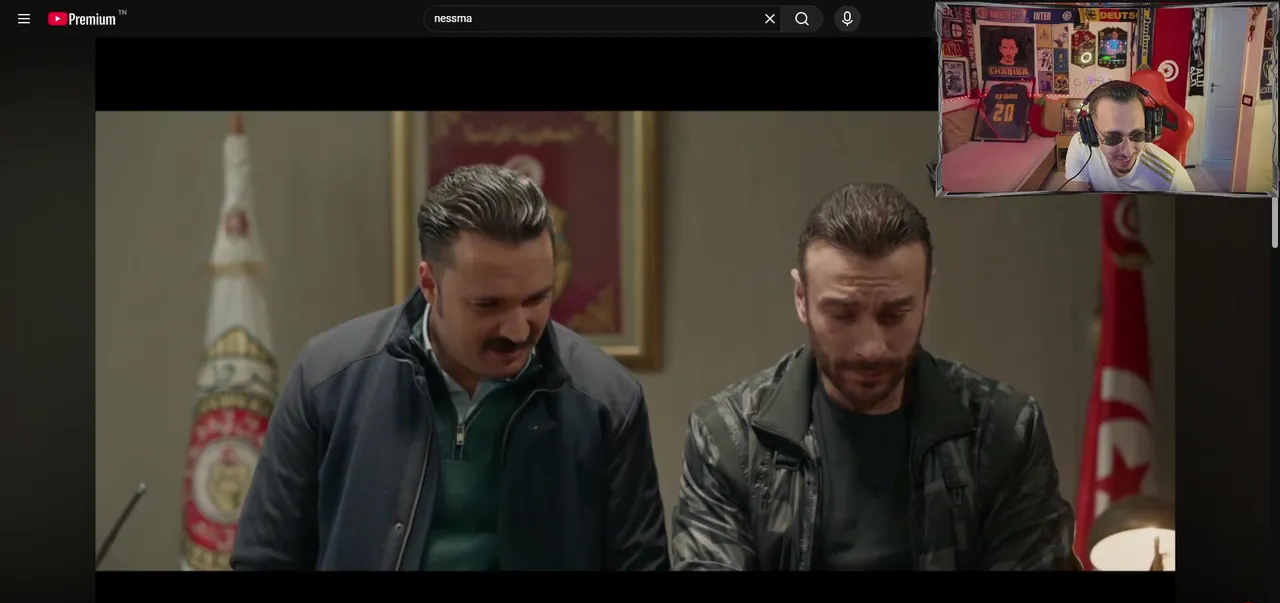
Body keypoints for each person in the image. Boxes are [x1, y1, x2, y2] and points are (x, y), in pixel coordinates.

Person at [232, 164, 668, 571]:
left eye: (537, 298)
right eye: (489, 304)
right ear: (430, 284)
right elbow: (265, 559)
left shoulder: (606, 401)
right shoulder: (328, 379)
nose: (518, 329)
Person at [670, 183, 1081, 571]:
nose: (870, 347)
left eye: (894, 314)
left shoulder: (1004, 431)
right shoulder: (729, 438)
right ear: (801, 299)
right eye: (842, 314)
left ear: (926, 298)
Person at [1062, 80, 1195, 192]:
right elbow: (1077, 206)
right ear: (1091, 131)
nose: (1128, 152)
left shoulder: (1174, 179)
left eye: (1137, 134)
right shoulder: (1081, 145)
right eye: (1113, 138)